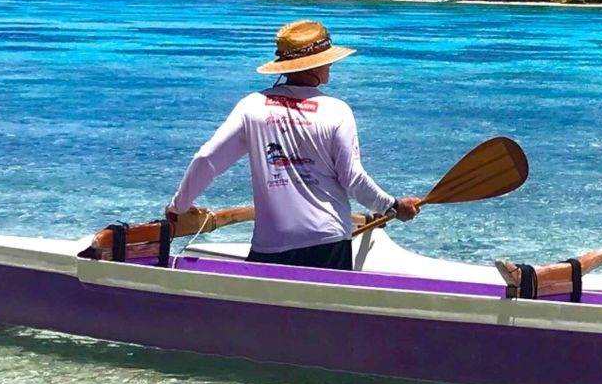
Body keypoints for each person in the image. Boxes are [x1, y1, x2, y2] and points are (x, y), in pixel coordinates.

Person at [166, 20, 420, 270]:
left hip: (270, 244)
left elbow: (207, 160)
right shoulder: (336, 110)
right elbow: (352, 178)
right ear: (314, 66)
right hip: (328, 240)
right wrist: (393, 206)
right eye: (327, 59)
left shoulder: (251, 106)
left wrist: (178, 207)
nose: (331, 64)